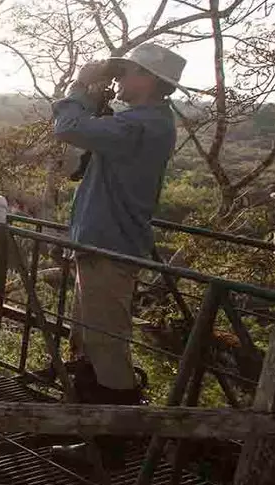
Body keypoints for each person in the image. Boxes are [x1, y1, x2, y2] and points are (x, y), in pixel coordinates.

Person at [51, 42, 184, 420]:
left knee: (106, 346)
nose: (119, 77)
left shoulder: (142, 125)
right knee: (89, 341)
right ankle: (83, 420)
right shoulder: (144, 121)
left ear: (149, 79)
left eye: (126, 71)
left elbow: (68, 127)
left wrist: (79, 86)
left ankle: (114, 439)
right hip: (101, 243)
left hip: (110, 245)